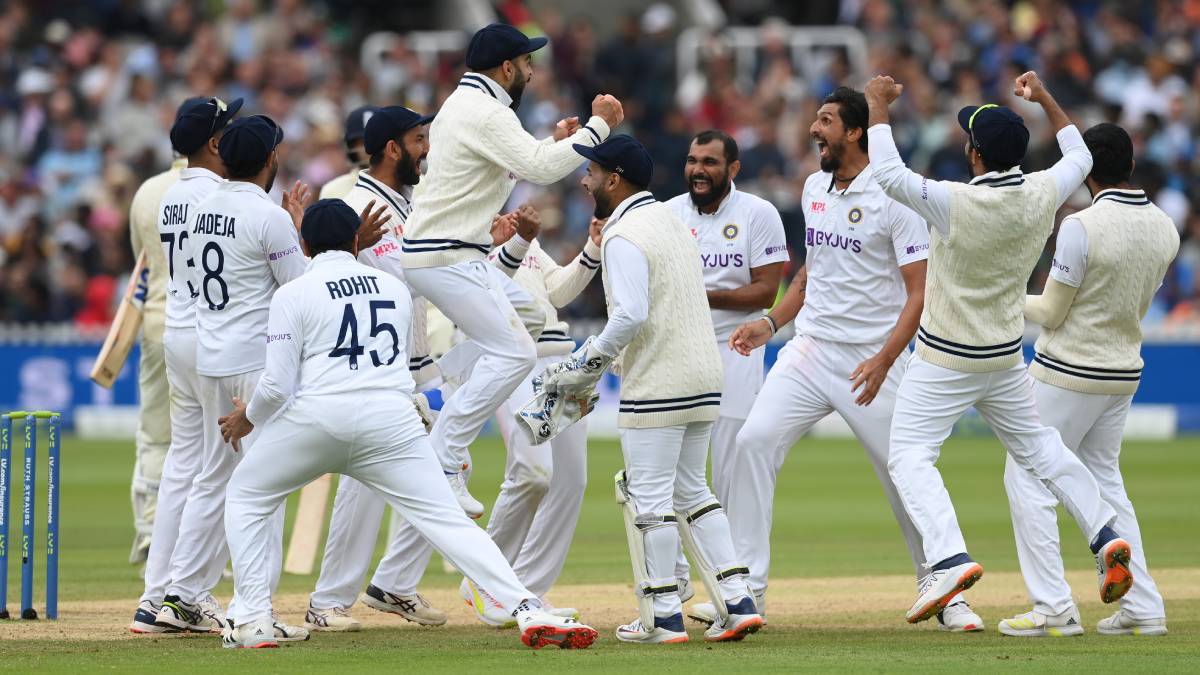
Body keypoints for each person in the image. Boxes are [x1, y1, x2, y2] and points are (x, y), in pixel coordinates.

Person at [217, 199, 599, 650]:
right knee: (447, 522)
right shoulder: (391, 287)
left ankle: (255, 617)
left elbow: (279, 385)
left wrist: (247, 418)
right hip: (391, 422)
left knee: (246, 495)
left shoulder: (293, 292)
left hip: (319, 418)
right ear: (358, 240)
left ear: (302, 243)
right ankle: (525, 607)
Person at [692, 87, 983, 632]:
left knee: (904, 473)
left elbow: (920, 293)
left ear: (854, 130)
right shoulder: (812, 187)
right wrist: (772, 322)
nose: (812, 129)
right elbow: (809, 273)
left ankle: (945, 589)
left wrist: (884, 359)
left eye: (824, 121)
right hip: (810, 349)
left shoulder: (895, 196)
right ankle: (745, 590)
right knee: (754, 442)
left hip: (874, 359)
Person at [864, 70, 1134, 624]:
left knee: (910, 455)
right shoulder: (1042, 192)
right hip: (1007, 355)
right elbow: (1080, 158)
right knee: (1039, 448)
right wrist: (1047, 100)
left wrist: (876, 104)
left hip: (945, 354)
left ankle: (948, 558)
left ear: (975, 153)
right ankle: (1106, 533)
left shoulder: (952, 201)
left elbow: (888, 173)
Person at [304, 107, 541, 631]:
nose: (427, 147)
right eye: (419, 139)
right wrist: (355, 246)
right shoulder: (352, 205)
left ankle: (394, 584)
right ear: (393, 148)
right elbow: (341, 278)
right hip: (372, 369)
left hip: (417, 367)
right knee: (367, 483)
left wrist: (484, 245)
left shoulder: (410, 204)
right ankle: (327, 602)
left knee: (438, 472)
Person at [400, 23, 623, 515]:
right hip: (447, 255)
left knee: (532, 315)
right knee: (518, 351)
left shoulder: (470, 107)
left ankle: (445, 384)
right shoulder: (484, 110)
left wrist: (559, 143)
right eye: (527, 63)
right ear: (507, 68)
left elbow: (517, 163)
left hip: (451, 253)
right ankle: (445, 453)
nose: (532, 71)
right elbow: (540, 168)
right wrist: (598, 127)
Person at [549, 134, 761, 644]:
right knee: (694, 490)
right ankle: (737, 599)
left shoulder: (625, 235)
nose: (585, 179)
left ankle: (662, 615)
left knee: (648, 498)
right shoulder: (670, 220)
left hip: (661, 379)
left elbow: (630, 313)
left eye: (593, 172)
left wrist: (585, 363)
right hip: (705, 375)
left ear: (614, 179)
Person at [999, 123, 1178, 638]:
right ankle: (1144, 607)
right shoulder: (1166, 225)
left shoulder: (1081, 225)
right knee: (1106, 483)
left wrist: (1003, 298)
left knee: (1027, 474)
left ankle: (1054, 607)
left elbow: (1052, 312)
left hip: (1068, 370)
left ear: (1086, 170)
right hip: (1123, 370)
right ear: (1130, 164)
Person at [154, 115, 310, 638]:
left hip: (210, 356)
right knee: (265, 484)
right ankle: (255, 612)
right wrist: (298, 229)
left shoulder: (203, 209)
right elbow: (299, 290)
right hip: (255, 360)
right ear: (269, 161)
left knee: (213, 476)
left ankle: (181, 595)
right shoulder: (268, 217)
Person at [663, 128, 788, 605]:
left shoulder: (759, 213)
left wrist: (699, 292)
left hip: (736, 346)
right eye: (693, 160)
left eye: (711, 162)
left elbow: (764, 291)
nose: (698, 170)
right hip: (680, 346)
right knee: (671, 468)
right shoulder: (667, 215)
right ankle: (672, 585)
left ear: (732, 169)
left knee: (733, 470)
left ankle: (740, 589)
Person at [130, 96, 241, 633]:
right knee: (222, 468)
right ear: (216, 142)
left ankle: (156, 596)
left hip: (177, 330)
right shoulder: (219, 195)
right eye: (230, 128)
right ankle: (186, 593)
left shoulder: (171, 194)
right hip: (212, 335)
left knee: (183, 464)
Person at [464, 209, 604, 626]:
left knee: (570, 480)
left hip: (559, 360)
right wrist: (512, 241)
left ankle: (526, 589)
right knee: (531, 471)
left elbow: (558, 293)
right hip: (514, 359)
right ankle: (483, 580)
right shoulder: (465, 230)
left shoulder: (523, 234)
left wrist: (592, 247)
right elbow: (482, 289)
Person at [125, 101, 190, 567]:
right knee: (205, 441)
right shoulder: (219, 192)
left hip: (154, 324)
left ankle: (150, 532)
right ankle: (200, 542)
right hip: (201, 331)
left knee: (155, 436)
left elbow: (140, 261)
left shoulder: (147, 191)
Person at [318, 105, 377, 199]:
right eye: (361, 142)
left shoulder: (406, 186)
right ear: (350, 145)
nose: (369, 147)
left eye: (375, 139)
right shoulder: (333, 191)